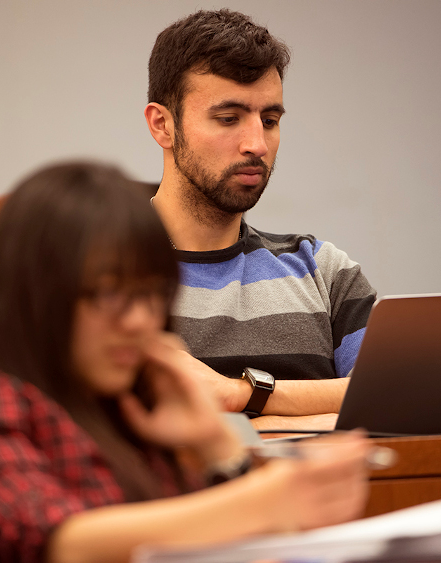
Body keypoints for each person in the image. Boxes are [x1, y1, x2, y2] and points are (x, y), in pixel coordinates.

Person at [0, 162, 371, 563]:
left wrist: (215, 445)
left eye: (152, 295)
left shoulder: (134, 403)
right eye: (110, 293)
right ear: (38, 293)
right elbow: (58, 543)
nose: (140, 320)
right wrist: (265, 499)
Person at [144, 10, 377, 430]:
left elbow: (392, 397)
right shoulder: (97, 276)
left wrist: (242, 395)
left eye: (269, 121)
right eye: (228, 119)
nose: (256, 144)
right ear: (163, 125)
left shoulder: (325, 271)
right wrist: (317, 413)